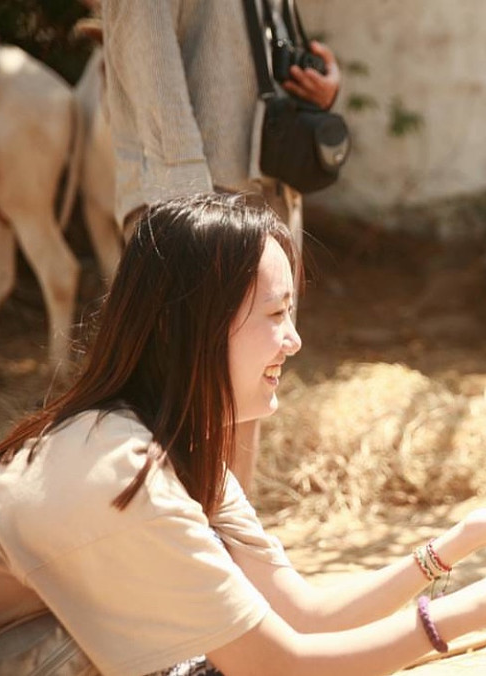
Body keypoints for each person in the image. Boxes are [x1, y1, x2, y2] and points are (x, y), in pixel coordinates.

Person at [0, 193, 486, 676]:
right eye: (277, 314)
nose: (295, 340)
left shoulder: (171, 445)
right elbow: (278, 665)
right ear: (193, 327)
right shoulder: (120, 470)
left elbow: (305, 614)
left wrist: (455, 546)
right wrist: (484, 602)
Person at [101, 0, 343, 494]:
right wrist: (195, 221)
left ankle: (232, 555)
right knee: (179, 402)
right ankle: (184, 554)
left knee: (247, 398)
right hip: (195, 215)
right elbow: (152, 76)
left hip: (262, 201)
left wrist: (321, 90)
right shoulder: (195, 226)